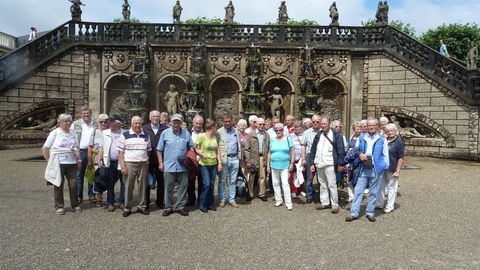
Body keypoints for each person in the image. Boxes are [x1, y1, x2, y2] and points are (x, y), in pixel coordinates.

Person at [346, 118, 389, 222]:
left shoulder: (382, 139)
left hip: (376, 168)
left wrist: (383, 166)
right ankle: (354, 213)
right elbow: (356, 149)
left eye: (373, 125)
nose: (371, 127)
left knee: (374, 192)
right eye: (369, 125)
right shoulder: (361, 137)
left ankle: (370, 213)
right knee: (358, 191)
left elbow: (385, 155)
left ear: (377, 126)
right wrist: (360, 154)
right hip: (363, 167)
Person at [43, 113, 82, 215]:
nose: (68, 123)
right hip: (58, 163)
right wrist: (49, 161)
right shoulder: (54, 133)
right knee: (58, 185)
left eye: (70, 121)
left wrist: (79, 161)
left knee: (73, 185)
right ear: (60, 123)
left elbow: (77, 148)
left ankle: (75, 204)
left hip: (72, 162)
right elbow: (45, 148)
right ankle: (59, 206)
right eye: (66, 121)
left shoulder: (73, 133)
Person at [157, 114, 194, 216]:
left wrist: (189, 158)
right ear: (171, 122)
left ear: (181, 123)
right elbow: (159, 150)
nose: (176, 124)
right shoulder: (165, 133)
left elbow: (191, 147)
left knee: (182, 188)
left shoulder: (186, 134)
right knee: (168, 188)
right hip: (169, 165)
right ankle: (168, 207)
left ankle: (180, 207)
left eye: (178, 122)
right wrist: (161, 163)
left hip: (183, 166)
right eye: (174, 122)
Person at [308, 116, 346, 214]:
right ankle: (325, 202)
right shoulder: (319, 135)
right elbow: (313, 149)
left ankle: (335, 205)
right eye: (322, 124)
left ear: (329, 124)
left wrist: (340, 164)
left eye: (325, 123)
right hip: (319, 163)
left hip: (330, 163)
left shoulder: (336, 135)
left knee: (332, 184)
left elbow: (341, 150)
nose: (323, 125)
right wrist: (312, 163)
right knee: (322, 184)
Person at [118, 116, 151, 217]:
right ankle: (127, 207)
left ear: (142, 124)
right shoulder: (124, 135)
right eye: (135, 123)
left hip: (143, 164)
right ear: (131, 124)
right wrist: (123, 166)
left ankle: (142, 206)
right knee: (128, 187)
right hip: (129, 164)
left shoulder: (146, 135)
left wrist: (145, 160)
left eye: (139, 123)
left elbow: (148, 151)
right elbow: (120, 152)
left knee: (142, 186)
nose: (137, 125)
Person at [98, 115, 125, 212]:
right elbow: (101, 147)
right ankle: (110, 203)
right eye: (110, 122)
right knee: (110, 183)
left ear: (118, 123)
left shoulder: (125, 133)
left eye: (112, 122)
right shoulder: (105, 133)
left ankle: (122, 202)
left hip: (122, 161)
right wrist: (100, 160)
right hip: (110, 162)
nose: (110, 124)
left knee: (124, 183)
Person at [71, 106, 98, 203]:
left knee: (92, 173)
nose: (86, 115)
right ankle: (79, 196)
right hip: (81, 151)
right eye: (84, 113)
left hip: (93, 151)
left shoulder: (96, 124)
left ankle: (91, 195)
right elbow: (71, 137)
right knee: (79, 175)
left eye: (87, 113)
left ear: (90, 113)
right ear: (81, 114)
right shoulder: (75, 124)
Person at [376, 123, 404, 213]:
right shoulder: (384, 140)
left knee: (392, 187)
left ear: (396, 131)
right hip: (382, 167)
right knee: (380, 186)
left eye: (392, 130)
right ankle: (379, 204)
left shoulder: (399, 142)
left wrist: (398, 170)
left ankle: (390, 206)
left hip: (392, 168)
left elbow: (401, 158)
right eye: (388, 131)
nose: (390, 132)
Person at [195, 119, 222, 213]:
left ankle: (210, 203)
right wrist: (202, 154)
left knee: (211, 185)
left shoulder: (214, 137)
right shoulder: (201, 136)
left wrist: (219, 163)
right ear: (212, 128)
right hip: (204, 165)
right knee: (206, 184)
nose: (216, 129)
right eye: (216, 128)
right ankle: (202, 204)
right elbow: (194, 148)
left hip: (213, 164)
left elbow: (217, 150)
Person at [142, 110, 168, 209]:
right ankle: (146, 201)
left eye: (157, 116)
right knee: (146, 181)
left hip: (161, 159)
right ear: (150, 117)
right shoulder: (144, 128)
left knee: (161, 181)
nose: (155, 118)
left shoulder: (165, 129)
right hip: (147, 158)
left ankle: (160, 201)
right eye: (153, 116)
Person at [267, 123, 295, 210]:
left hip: (285, 165)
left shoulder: (288, 139)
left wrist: (292, 163)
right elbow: (269, 153)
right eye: (276, 130)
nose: (278, 131)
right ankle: (278, 200)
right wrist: (268, 165)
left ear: (283, 130)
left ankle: (288, 203)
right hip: (274, 165)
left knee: (285, 183)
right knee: (275, 183)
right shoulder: (272, 140)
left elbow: (293, 151)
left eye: (280, 130)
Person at [216, 114, 242, 208]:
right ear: (223, 122)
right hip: (224, 159)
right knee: (222, 180)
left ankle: (232, 199)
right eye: (225, 121)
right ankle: (222, 199)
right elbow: (217, 147)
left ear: (232, 121)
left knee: (233, 180)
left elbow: (238, 144)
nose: (227, 123)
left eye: (229, 121)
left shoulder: (236, 131)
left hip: (235, 158)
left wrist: (240, 157)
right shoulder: (219, 132)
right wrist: (218, 161)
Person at [244, 117, 270, 202]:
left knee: (262, 177)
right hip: (253, 158)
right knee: (251, 177)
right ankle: (250, 194)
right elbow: (247, 149)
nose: (262, 126)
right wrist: (248, 161)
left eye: (263, 124)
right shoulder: (251, 134)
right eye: (260, 124)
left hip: (262, 157)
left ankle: (262, 194)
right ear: (256, 124)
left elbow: (268, 148)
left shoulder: (266, 135)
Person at [88, 113, 109, 207]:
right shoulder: (94, 131)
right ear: (98, 122)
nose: (103, 123)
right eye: (101, 121)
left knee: (108, 179)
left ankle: (108, 199)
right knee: (97, 179)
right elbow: (90, 147)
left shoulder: (110, 131)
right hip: (96, 158)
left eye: (105, 121)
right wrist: (89, 160)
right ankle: (98, 199)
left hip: (107, 158)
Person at [301, 114, 321, 203]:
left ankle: (321, 195)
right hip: (309, 156)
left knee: (321, 178)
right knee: (309, 177)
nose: (315, 123)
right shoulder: (306, 132)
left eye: (317, 121)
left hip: (321, 156)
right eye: (314, 122)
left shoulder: (323, 132)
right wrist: (303, 158)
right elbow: (303, 146)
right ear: (311, 122)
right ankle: (309, 195)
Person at [186, 115, 204, 206]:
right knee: (190, 181)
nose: (198, 125)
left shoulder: (205, 133)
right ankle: (191, 199)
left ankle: (201, 199)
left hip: (202, 160)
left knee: (202, 181)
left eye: (200, 124)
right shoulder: (187, 132)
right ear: (193, 123)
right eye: (196, 123)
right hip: (191, 161)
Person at [345, 121, 362, 203]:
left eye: (359, 129)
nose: (358, 130)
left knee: (356, 178)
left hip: (357, 160)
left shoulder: (362, 138)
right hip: (350, 160)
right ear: (353, 129)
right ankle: (350, 196)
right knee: (349, 178)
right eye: (357, 129)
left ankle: (357, 196)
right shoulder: (352, 136)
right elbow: (348, 146)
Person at [289, 120, 305, 198]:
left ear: (301, 128)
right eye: (295, 127)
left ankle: (301, 190)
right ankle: (293, 190)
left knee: (301, 174)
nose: (296, 129)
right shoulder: (291, 135)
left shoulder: (304, 135)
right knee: (293, 175)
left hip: (301, 158)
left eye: (297, 127)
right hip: (293, 158)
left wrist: (303, 158)